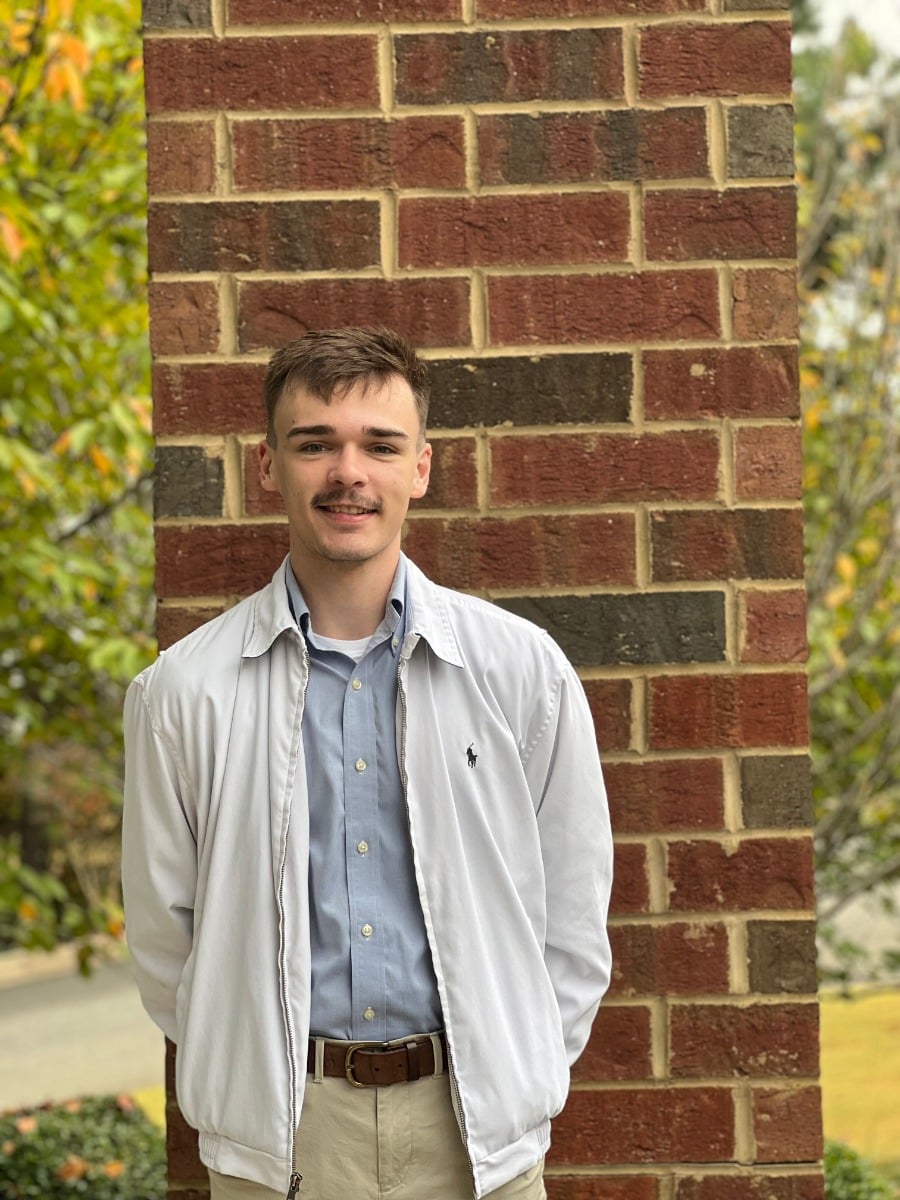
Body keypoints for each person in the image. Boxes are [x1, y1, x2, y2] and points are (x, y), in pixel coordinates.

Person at [122, 327, 613, 1200]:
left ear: (420, 467)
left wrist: (520, 1065)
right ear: (268, 466)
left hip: (476, 1136)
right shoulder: (183, 692)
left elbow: (573, 915)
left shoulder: (519, 671)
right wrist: (246, 1076)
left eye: (380, 446)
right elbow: (166, 939)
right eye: (315, 444)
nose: (348, 473)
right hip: (283, 1141)